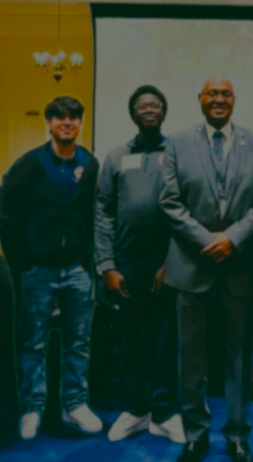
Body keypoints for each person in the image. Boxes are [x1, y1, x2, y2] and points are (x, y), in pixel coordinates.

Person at [159, 76, 253, 462]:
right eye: (212, 93)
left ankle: (238, 434)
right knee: (190, 359)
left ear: (234, 100)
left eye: (226, 93)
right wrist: (208, 240)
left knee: (238, 360)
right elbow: (170, 202)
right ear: (199, 99)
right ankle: (196, 433)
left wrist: (234, 237)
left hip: (240, 267)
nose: (219, 99)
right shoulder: (176, 142)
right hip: (192, 267)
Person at [0, 95, 103, 441]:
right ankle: (33, 407)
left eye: (73, 117)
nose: (67, 123)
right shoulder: (29, 165)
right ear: (49, 123)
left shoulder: (90, 163)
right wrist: (21, 263)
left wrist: (89, 259)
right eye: (60, 118)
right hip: (36, 271)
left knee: (78, 342)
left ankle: (74, 404)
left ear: (81, 123)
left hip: (77, 271)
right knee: (33, 343)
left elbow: (96, 215)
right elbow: (5, 213)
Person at [96, 85, 183, 443]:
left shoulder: (178, 154)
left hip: (168, 264)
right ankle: (135, 409)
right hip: (126, 264)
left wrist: (172, 262)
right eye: (142, 106)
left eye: (155, 105)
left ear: (163, 112)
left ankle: (164, 412)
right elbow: (103, 211)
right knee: (132, 340)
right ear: (133, 114)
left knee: (166, 341)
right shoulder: (116, 157)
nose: (149, 109)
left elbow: (186, 212)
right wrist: (106, 264)